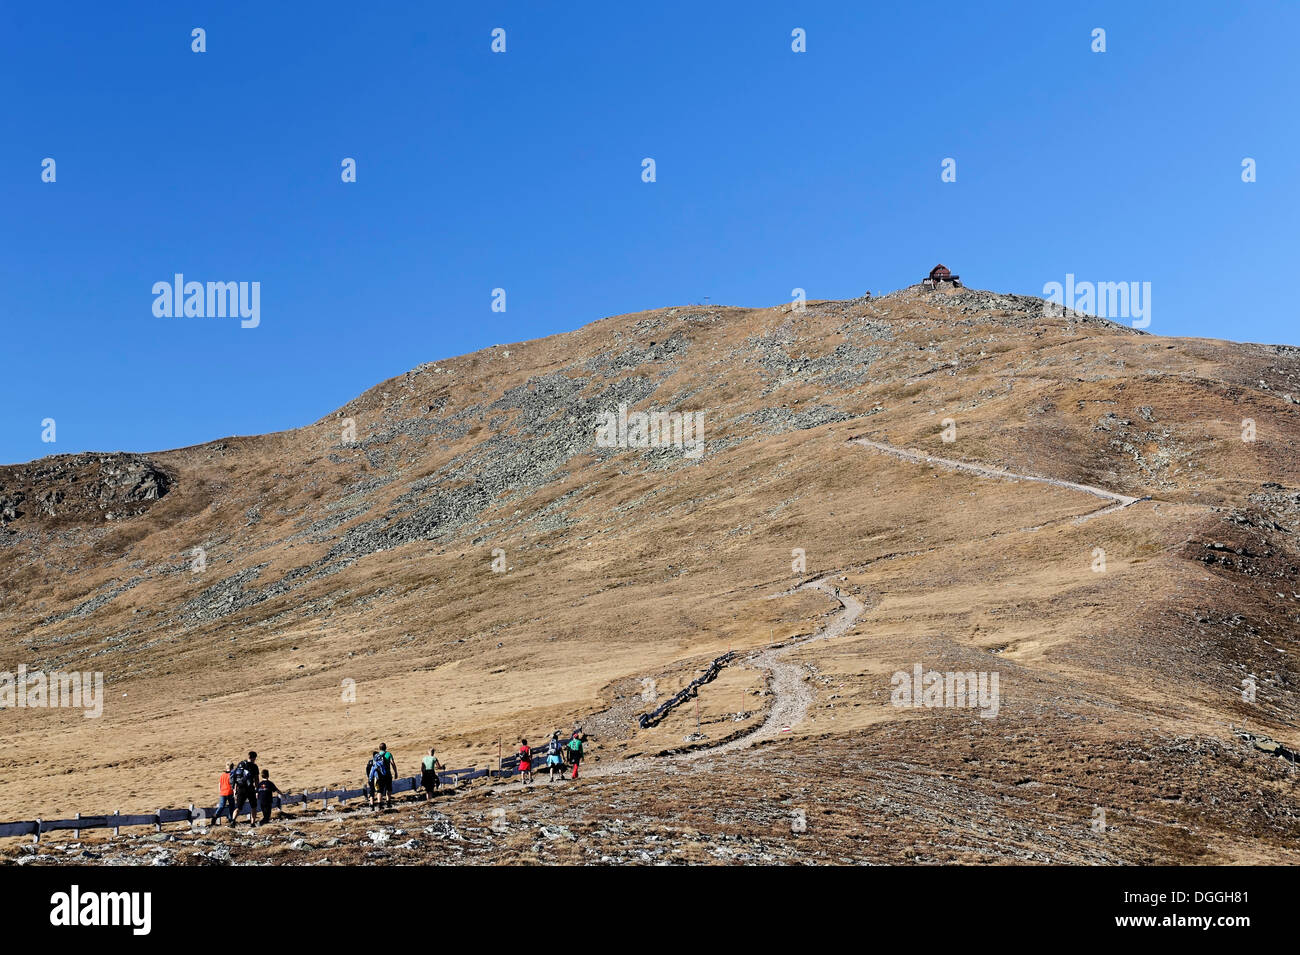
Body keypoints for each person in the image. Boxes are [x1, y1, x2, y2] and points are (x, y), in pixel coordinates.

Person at [231, 751, 260, 827]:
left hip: (240, 788)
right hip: (250, 788)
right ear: (254, 758)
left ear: (248, 756)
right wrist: (257, 790)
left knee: (238, 807)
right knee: (253, 806)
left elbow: (236, 777)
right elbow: (256, 779)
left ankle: (233, 821)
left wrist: (235, 789)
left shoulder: (241, 764)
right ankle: (252, 823)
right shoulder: (254, 766)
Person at [370, 742, 397, 809]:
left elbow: (373, 766)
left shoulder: (376, 755)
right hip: (387, 774)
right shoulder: (388, 754)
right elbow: (392, 763)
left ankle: (379, 804)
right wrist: (395, 772)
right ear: (386, 747)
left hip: (379, 775)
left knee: (380, 790)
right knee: (388, 789)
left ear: (379, 748)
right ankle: (388, 803)